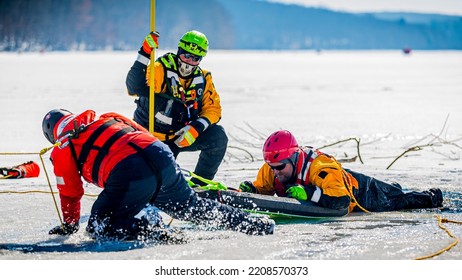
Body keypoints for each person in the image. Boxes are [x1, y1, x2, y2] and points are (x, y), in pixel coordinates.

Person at [41, 109, 274, 241]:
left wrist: (71, 225)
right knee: (192, 206)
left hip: (129, 170)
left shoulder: (62, 148)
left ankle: (153, 230)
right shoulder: (108, 117)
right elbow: (143, 133)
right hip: (159, 154)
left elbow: (70, 192)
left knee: (99, 226)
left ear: (52, 135)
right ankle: (253, 223)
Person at [239, 130, 443, 213]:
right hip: (339, 185)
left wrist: (309, 194)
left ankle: (433, 197)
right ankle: (394, 188)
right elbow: (263, 190)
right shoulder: (273, 167)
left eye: (280, 167)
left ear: (293, 158)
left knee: (398, 201)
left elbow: (342, 201)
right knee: (394, 192)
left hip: (361, 193)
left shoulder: (321, 168)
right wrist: (252, 191)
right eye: (271, 167)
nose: (275, 173)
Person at [126, 30, 227, 186]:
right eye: (186, 56)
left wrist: (196, 128)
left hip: (179, 138)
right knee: (156, 184)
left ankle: (200, 184)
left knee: (218, 136)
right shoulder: (160, 69)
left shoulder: (203, 79)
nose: (188, 62)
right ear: (179, 51)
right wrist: (145, 53)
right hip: (151, 139)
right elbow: (134, 87)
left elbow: (214, 109)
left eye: (195, 59)